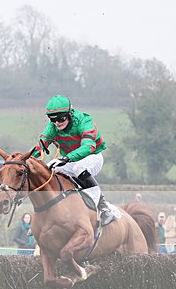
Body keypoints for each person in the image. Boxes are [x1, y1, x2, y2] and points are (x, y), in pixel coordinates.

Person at [30, 95, 120, 226]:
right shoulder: (53, 126)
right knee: (47, 169)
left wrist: (67, 158)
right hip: (69, 160)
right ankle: (46, 213)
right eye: (52, 119)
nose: (57, 123)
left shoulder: (84, 121)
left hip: (92, 156)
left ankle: (104, 207)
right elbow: (40, 146)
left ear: (70, 113)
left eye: (61, 118)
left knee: (79, 168)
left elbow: (88, 147)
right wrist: (22, 159)